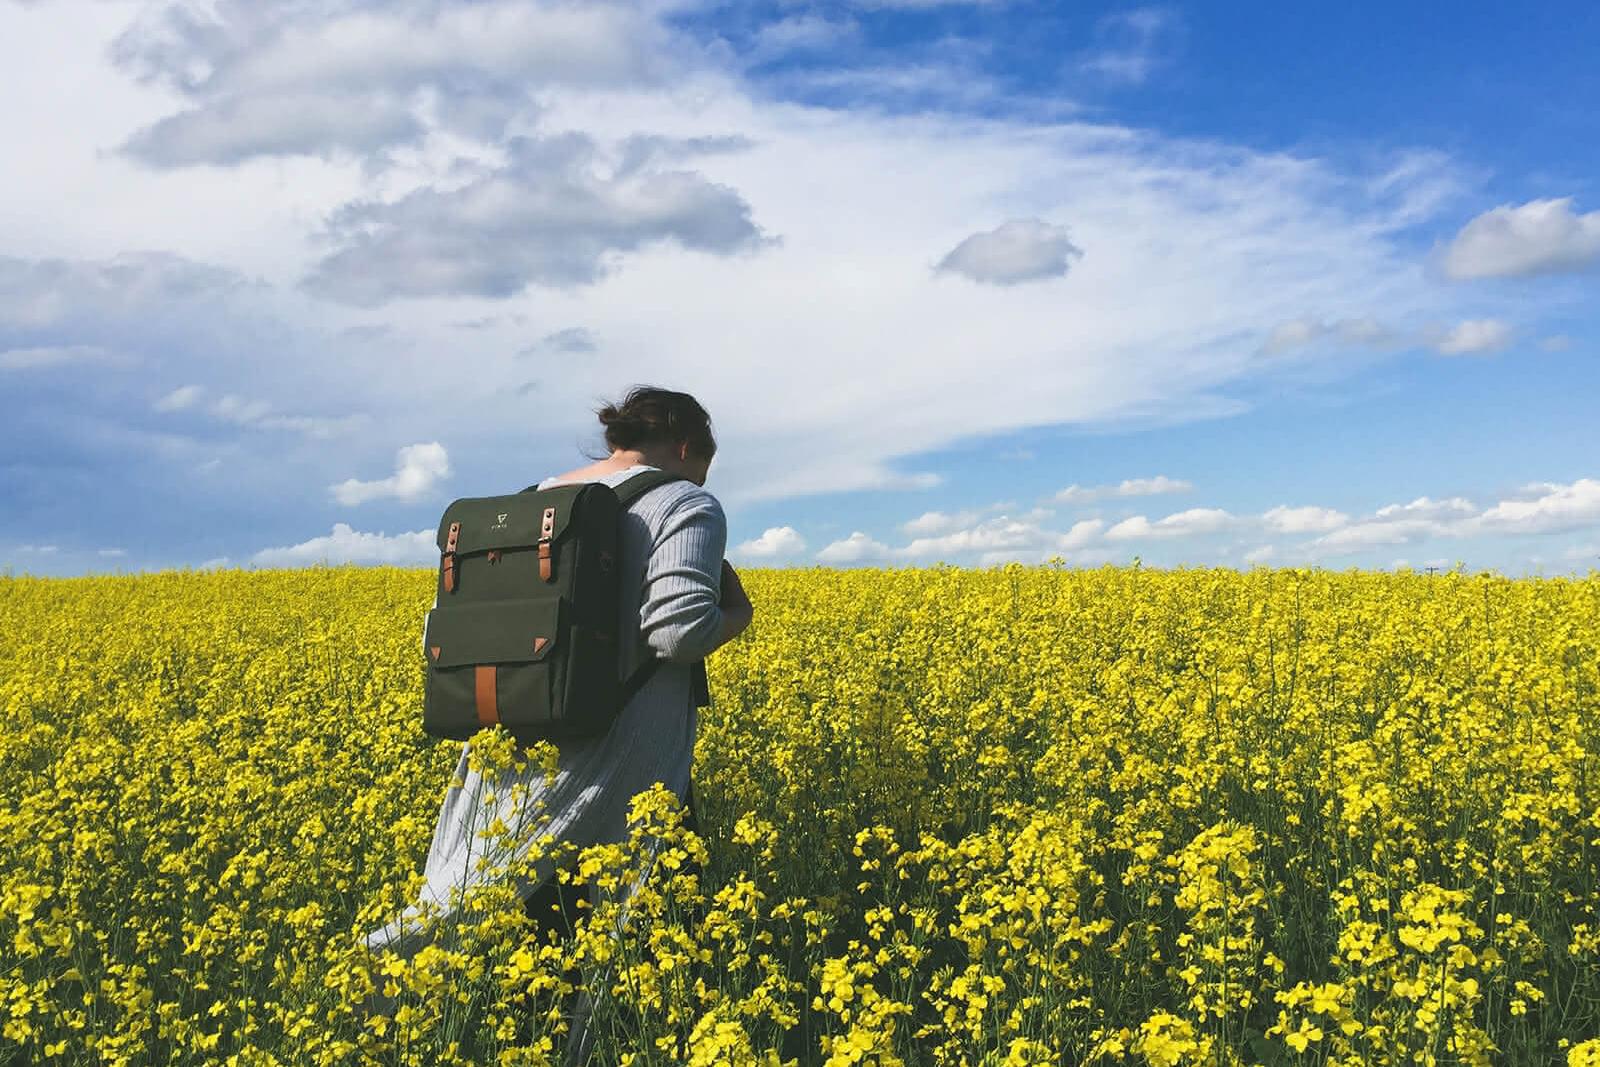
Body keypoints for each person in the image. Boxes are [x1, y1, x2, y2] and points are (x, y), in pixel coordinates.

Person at [361, 386, 754, 1032]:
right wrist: (737, 614)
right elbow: (678, 631)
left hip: (513, 751)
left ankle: (379, 1011)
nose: (698, 483)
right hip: (626, 762)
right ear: (687, 447)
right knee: (651, 953)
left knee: (529, 945)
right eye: (700, 469)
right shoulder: (683, 502)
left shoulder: (531, 502)